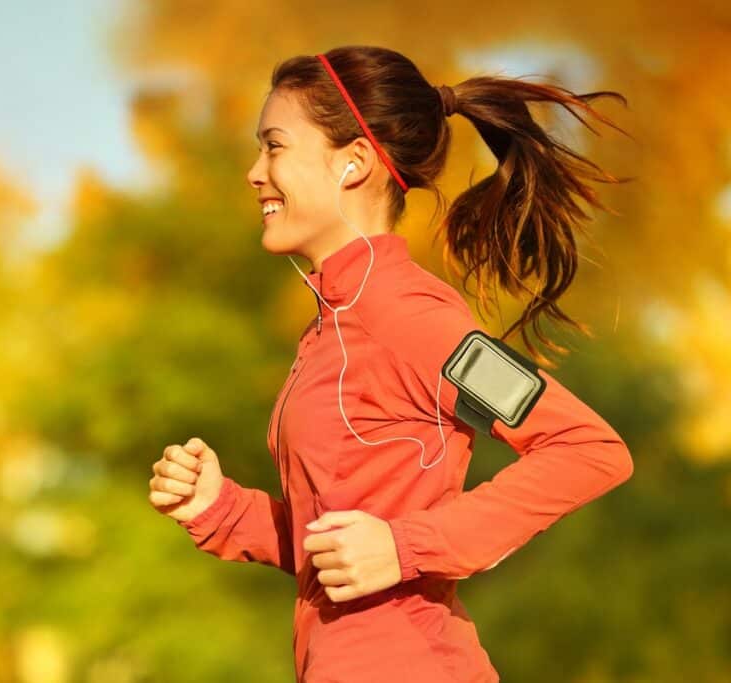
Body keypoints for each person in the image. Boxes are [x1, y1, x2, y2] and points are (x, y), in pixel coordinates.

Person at [148, 45, 634, 682]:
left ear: (353, 163)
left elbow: (588, 449)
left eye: (273, 146)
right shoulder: (332, 326)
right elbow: (335, 544)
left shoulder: (408, 317)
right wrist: (221, 508)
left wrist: (408, 548)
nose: (254, 172)